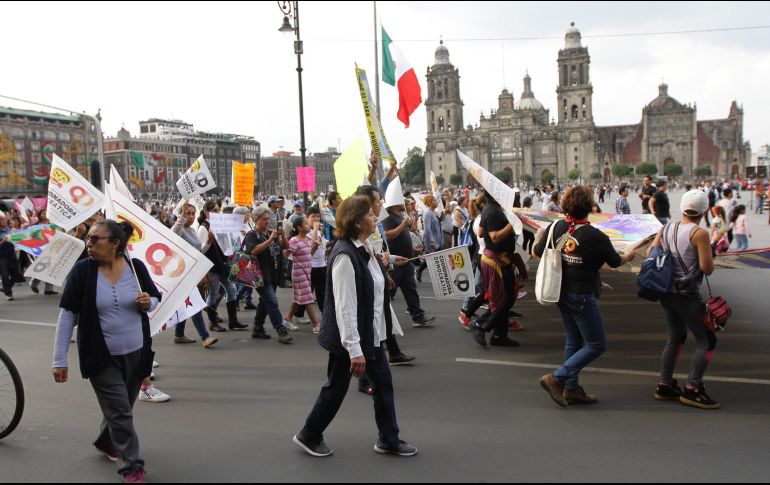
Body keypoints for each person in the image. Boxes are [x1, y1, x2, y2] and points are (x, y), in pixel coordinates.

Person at [292, 196, 417, 458]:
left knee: (382, 385)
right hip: (351, 339)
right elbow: (345, 307)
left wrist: (392, 261)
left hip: (368, 334)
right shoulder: (345, 257)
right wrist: (354, 350)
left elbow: (374, 267)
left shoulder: (362, 247)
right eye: (371, 215)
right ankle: (309, 434)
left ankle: (388, 439)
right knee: (336, 389)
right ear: (358, 222)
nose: (375, 218)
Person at [52, 220, 161, 483]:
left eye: (95, 239)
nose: (88, 244)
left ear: (115, 244)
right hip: (100, 356)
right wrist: (59, 359)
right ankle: (132, 467)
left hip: (137, 353)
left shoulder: (136, 268)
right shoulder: (82, 272)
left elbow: (155, 298)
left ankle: (106, 440)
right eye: (88, 239)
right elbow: (67, 315)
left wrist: (148, 302)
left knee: (120, 407)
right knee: (121, 411)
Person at [532, 185, 636, 407]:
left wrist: (539, 236)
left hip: (560, 292)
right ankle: (556, 378)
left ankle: (571, 389)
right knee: (597, 344)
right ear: (590, 207)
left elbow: (537, 253)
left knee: (574, 340)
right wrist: (629, 254)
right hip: (581, 295)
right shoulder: (594, 235)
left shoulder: (557, 226)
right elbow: (616, 262)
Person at [648, 190, 719, 409]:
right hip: (686, 295)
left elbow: (652, 251)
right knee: (707, 341)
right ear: (704, 210)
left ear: (682, 208)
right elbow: (707, 269)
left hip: (666, 291)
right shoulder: (700, 233)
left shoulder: (666, 227)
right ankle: (693, 388)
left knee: (676, 337)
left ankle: (665, 384)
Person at [469, 189, 522, 348]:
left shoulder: (490, 209)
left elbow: (480, 232)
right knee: (504, 299)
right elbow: (495, 237)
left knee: (506, 296)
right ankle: (481, 325)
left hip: (496, 259)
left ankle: (500, 335)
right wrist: (512, 224)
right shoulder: (493, 211)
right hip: (496, 261)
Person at [170, 203, 218, 348]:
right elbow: (174, 231)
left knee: (185, 305)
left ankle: (179, 334)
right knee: (194, 305)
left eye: (192, 213)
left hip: (193, 272)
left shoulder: (191, 230)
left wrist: (208, 241)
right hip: (182, 274)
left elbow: (199, 251)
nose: (191, 216)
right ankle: (205, 337)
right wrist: (182, 216)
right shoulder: (178, 230)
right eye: (188, 214)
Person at [243, 206, 293, 344]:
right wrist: (270, 239)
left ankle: (258, 328)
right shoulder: (252, 235)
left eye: (268, 219)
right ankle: (280, 329)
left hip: (274, 274)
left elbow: (285, 247)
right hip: (260, 275)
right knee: (272, 301)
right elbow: (253, 250)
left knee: (265, 302)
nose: (267, 222)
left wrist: (282, 236)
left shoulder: (271, 233)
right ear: (255, 220)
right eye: (264, 219)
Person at [197, 201, 248, 332]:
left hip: (222, 262)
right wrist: (209, 239)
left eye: (219, 210)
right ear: (207, 212)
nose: (218, 212)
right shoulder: (204, 227)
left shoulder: (220, 224)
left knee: (231, 290)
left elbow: (229, 243)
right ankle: (213, 322)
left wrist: (239, 236)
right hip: (212, 264)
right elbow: (201, 250)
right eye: (214, 210)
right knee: (213, 293)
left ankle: (233, 321)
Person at [284, 216, 322, 333]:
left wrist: (315, 247)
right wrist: (284, 246)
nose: (308, 226)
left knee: (298, 299)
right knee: (307, 299)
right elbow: (286, 254)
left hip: (307, 272)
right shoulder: (294, 240)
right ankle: (316, 324)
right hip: (299, 273)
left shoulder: (308, 240)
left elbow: (309, 255)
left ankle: (287, 319)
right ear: (299, 228)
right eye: (305, 224)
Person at [417, 195, 442, 282]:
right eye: (434, 200)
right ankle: (438, 278)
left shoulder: (434, 212)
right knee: (432, 259)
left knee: (431, 259)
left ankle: (419, 270)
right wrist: (431, 241)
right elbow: (427, 228)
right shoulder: (427, 213)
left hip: (437, 240)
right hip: (431, 241)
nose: (436, 202)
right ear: (429, 203)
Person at [0, 211, 20, 301]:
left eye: (4, 219)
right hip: (2, 256)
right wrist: (3, 241)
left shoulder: (9, 229)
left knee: (15, 273)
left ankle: (5, 288)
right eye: (1, 220)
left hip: (12, 254)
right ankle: (8, 293)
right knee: (5, 274)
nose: (4, 221)